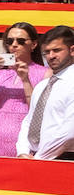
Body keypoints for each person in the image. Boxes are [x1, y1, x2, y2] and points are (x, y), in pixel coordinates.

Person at [0, 22, 48, 158]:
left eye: (20, 41)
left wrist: (26, 80)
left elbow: (40, 111)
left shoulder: (45, 73)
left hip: (27, 147)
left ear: (33, 45)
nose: (14, 45)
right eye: (10, 41)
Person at [16, 25, 74, 160]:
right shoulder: (42, 86)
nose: (51, 56)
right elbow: (28, 121)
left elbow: (70, 131)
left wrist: (39, 159)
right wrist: (23, 152)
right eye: (47, 52)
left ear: (72, 50)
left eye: (57, 50)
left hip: (65, 158)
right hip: (36, 157)